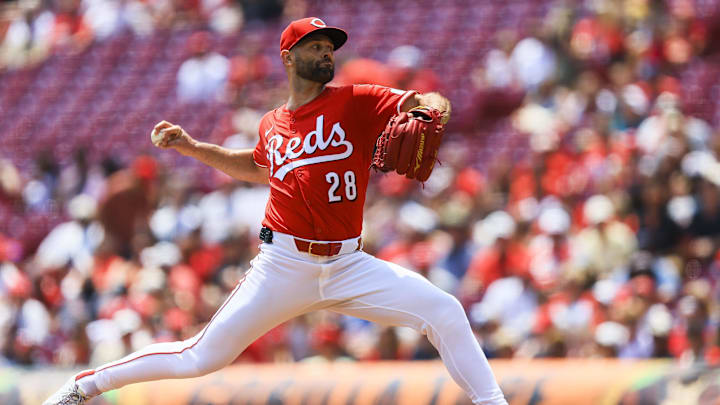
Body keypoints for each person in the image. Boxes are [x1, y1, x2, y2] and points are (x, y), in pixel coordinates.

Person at [44, 17, 507, 405]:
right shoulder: (272, 124)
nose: (327, 54)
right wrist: (193, 147)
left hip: (348, 263)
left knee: (443, 310)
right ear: (288, 57)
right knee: (200, 357)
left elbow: (428, 101)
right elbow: (255, 165)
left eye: (330, 47)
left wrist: (431, 114)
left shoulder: (356, 100)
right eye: (316, 46)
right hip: (284, 264)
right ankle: (84, 387)